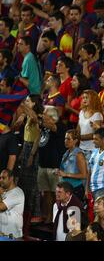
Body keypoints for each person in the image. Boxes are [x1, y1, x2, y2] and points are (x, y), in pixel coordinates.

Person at [14, 95, 43, 227]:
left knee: (32, 184)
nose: (26, 103)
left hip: (32, 150)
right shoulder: (27, 117)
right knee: (24, 181)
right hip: (26, 147)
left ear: (34, 103)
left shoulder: (36, 117)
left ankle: (34, 213)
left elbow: (37, 138)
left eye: (28, 101)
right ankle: (25, 212)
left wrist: (31, 155)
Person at [37, 106, 66, 225]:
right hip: (42, 165)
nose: (43, 119)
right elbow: (35, 119)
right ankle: (48, 216)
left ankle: (57, 218)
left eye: (46, 116)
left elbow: (52, 126)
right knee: (47, 193)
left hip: (54, 167)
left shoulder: (59, 126)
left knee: (57, 195)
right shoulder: (44, 125)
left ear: (53, 119)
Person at [58, 129, 87, 202]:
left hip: (75, 189)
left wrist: (66, 174)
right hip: (66, 189)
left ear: (75, 141)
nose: (65, 141)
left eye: (68, 139)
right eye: (65, 139)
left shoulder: (79, 154)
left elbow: (84, 175)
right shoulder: (66, 153)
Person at [77, 90, 104, 161]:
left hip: (92, 150)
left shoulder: (97, 114)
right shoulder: (81, 112)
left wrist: (80, 137)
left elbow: (97, 134)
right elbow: (78, 129)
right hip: (81, 148)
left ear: (93, 99)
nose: (84, 99)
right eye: (83, 98)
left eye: (87, 97)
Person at [0, 169, 25, 239]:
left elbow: (1, 207)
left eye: (3, 178)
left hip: (12, 237)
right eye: (0, 178)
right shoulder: (3, 192)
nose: (1, 180)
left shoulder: (17, 193)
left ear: (11, 178)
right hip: (2, 235)